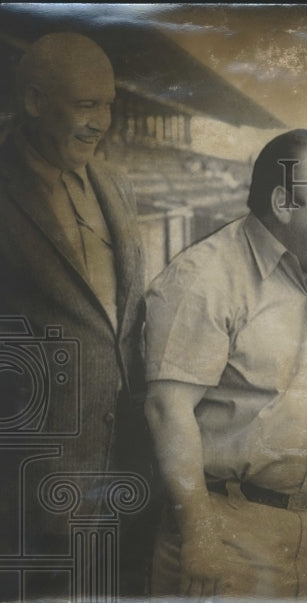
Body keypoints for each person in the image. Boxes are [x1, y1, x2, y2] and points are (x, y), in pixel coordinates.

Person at [143, 129, 307, 598]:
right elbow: (165, 410)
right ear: (283, 203)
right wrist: (199, 535)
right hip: (227, 536)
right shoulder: (203, 278)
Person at [0, 33, 151, 599]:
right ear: (36, 101)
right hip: (28, 494)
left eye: (109, 105)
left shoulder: (116, 184)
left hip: (126, 478)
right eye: (86, 105)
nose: (102, 122)